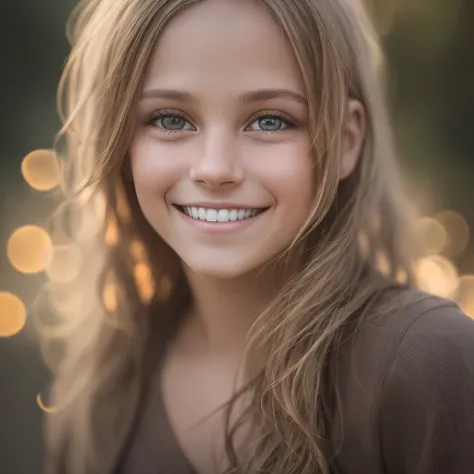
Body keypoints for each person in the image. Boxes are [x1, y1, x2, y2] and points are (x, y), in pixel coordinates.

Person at [41, 0, 474, 473]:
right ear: (119, 140)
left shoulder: (430, 366)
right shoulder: (98, 396)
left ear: (347, 141)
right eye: (169, 119)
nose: (215, 169)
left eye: (270, 120)